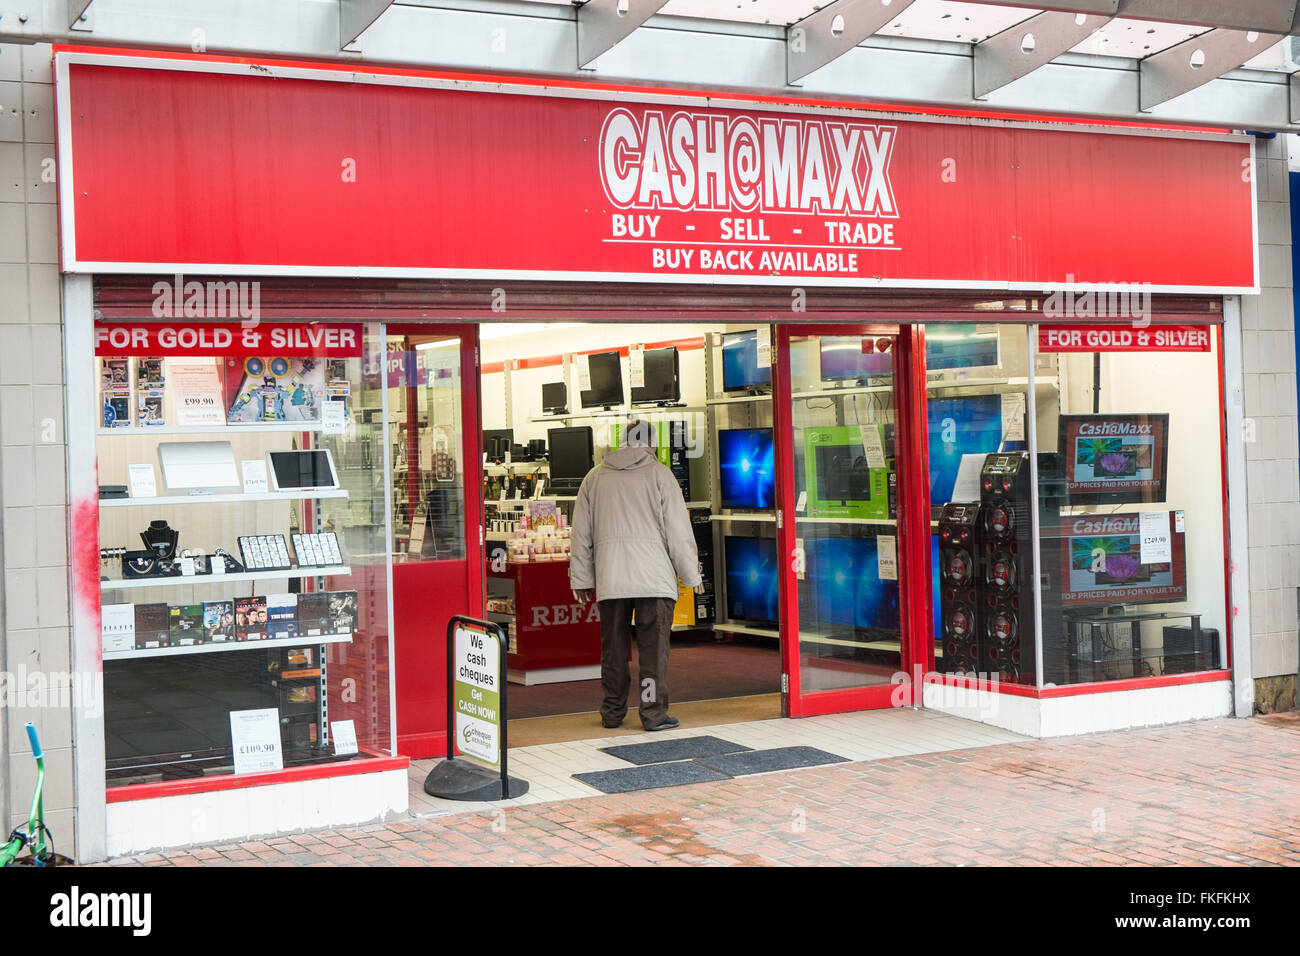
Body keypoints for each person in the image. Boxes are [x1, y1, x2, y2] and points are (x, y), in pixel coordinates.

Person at [569, 420, 702, 732]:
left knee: (613, 649)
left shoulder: (595, 477)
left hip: (611, 578)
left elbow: (580, 535)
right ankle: (652, 714)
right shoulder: (661, 475)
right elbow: (678, 532)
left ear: (624, 442)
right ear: (651, 444)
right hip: (654, 580)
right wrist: (691, 576)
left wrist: (582, 578)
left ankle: (612, 713)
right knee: (653, 652)